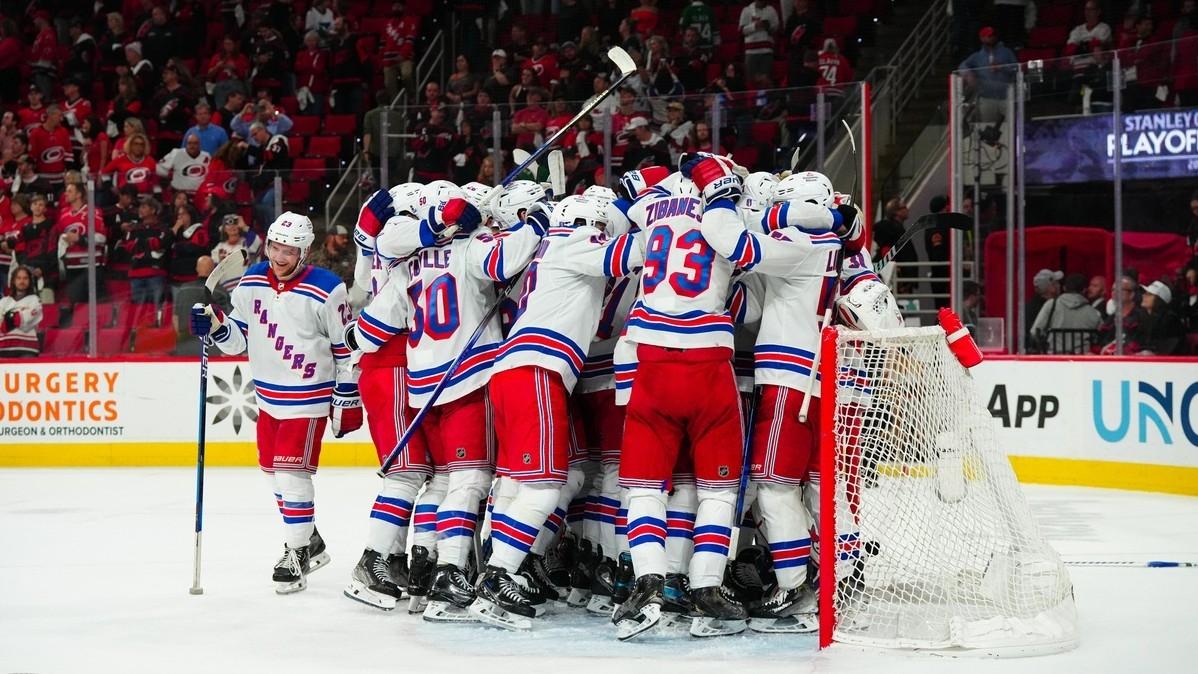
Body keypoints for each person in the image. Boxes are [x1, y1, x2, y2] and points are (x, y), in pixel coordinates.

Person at [698, 168, 863, 634]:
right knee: (819, 487)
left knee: (773, 486)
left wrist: (728, 203)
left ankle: (796, 589)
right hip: (823, 378)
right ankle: (844, 578)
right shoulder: (837, 247)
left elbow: (740, 246)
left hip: (790, 378)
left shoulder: (797, 247)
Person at [473, 194, 644, 629]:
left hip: (512, 371)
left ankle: (501, 564)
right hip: (538, 370)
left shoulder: (549, 246)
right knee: (548, 485)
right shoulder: (579, 238)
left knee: (519, 480)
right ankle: (499, 576)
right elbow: (634, 252)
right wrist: (667, 213)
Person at [369, 181, 538, 620]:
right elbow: (506, 260)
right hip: (468, 375)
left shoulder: (407, 259)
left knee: (444, 482)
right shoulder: (470, 247)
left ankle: (429, 568)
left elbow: (372, 325)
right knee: (470, 481)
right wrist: (538, 222)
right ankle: (450, 571)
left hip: (423, 381)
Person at [191, 212, 359, 594]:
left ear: (304, 252)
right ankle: (310, 541)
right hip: (268, 399)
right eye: (275, 248)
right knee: (272, 474)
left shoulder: (328, 288)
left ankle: (296, 552)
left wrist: (347, 392)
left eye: (289, 250)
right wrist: (216, 324)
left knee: (291, 476)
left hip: (310, 397)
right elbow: (238, 340)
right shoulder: (250, 283)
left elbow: (345, 348)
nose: (280, 257)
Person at [54, 182, 106, 304]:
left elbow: (102, 237)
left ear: (79, 194)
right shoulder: (63, 214)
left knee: (95, 307)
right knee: (77, 309)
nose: (65, 194)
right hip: (72, 268)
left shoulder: (93, 211)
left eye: (70, 191)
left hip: (91, 267)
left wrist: (80, 239)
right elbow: (61, 236)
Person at [1030, 273, 1102, 354]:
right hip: (1082, 358)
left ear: (1064, 288)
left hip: (1054, 357)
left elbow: (1034, 332)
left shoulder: (1051, 304)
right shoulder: (1093, 312)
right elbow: (1100, 335)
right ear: (1084, 290)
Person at [117, 196, 170, 305]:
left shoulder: (163, 228)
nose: (140, 209)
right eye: (140, 207)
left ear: (153, 210)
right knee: (138, 313)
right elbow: (128, 247)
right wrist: (150, 243)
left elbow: (161, 244)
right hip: (136, 274)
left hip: (156, 273)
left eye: (144, 207)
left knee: (156, 311)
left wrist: (139, 242)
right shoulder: (133, 228)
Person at [0, 266, 42, 357]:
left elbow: (26, 322)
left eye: (25, 278)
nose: (22, 281)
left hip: (27, 349)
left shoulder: (35, 300)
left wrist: (9, 317)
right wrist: (20, 314)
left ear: (29, 281)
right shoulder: (3, 301)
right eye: (18, 278)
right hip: (3, 348)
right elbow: (1, 325)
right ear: (13, 281)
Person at [28, 106, 72, 193]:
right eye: (59, 116)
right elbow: (33, 156)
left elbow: (68, 153)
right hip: (42, 179)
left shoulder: (63, 131)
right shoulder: (36, 133)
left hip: (60, 178)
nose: (61, 119)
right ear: (51, 115)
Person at [1139, 281, 1184, 355]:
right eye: (1145, 293)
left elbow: (1167, 348)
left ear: (1159, 300)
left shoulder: (1170, 320)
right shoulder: (1143, 318)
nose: (1144, 295)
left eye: (1149, 294)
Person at [740, 0, 780, 82]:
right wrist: (755, 26)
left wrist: (767, 26)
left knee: (766, 80)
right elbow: (742, 30)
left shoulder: (771, 10)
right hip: (751, 52)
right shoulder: (747, 10)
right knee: (751, 81)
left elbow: (776, 29)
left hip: (767, 51)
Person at [1027, 268, 1062, 346]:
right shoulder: (1051, 306)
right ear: (1051, 288)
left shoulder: (1030, 305)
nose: (1059, 285)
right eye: (1057, 283)